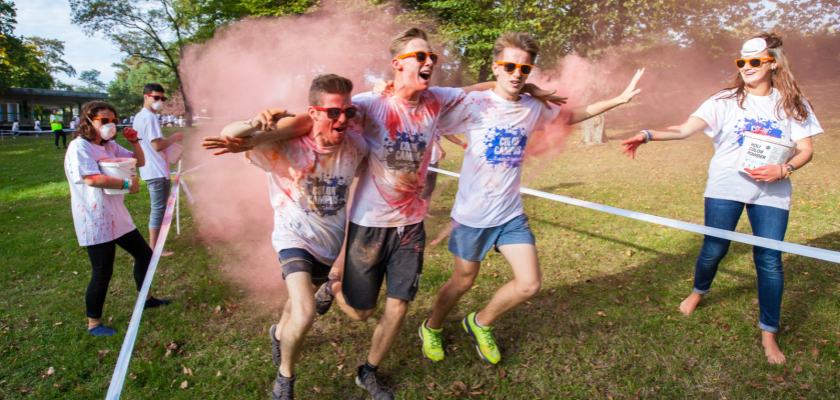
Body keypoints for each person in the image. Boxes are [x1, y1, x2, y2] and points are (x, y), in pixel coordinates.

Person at [414, 32, 643, 365]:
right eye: (509, 66)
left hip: (510, 215)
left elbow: (570, 115)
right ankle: (431, 327)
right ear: (495, 67)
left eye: (525, 68)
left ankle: (479, 323)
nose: (517, 73)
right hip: (472, 216)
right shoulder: (474, 103)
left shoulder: (534, 106)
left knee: (529, 284)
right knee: (462, 281)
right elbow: (431, 100)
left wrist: (619, 99)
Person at [621, 33, 821, 364]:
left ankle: (768, 335)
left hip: (772, 191)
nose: (747, 68)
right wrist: (648, 134)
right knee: (715, 248)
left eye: (754, 62)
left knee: (769, 261)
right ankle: (699, 291)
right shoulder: (724, 100)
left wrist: (783, 170)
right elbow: (685, 129)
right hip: (725, 187)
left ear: (772, 63)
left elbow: (807, 150)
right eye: (741, 62)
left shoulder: (793, 103)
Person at [206, 74, 368, 400]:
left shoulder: (356, 147)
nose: (342, 119)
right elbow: (230, 134)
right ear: (314, 113)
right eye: (333, 112)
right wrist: (257, 121)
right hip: (293, 237)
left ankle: (278, 334)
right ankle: (285, 379)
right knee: (306, 312)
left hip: (328, 246)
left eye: (348, 112)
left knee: (295, 309)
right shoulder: (284, 146)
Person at [64, 101, 171, 337]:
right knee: (102, 271)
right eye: (105, 120)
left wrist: (134, 141)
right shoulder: (79, 147)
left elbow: (139, 162)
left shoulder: (110, 146)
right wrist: (127, 184)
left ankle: (147, 299)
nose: (110, 125)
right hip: (95, 217)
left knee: (145, 255)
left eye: (114, 120)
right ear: (89, 120)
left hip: (117, 216)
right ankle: (94, 324)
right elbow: (91, 178)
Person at [132, 83, 183, 257]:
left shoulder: (139, 117)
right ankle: (154, 248)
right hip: (156, 171)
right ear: (146, 96)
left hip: (151, 169)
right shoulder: (150, 118)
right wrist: (174, 137)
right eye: (156, 97)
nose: (160, 101)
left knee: (158, 208)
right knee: (159, 209)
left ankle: (154, 246)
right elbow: (157, 145)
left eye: (162, 98)